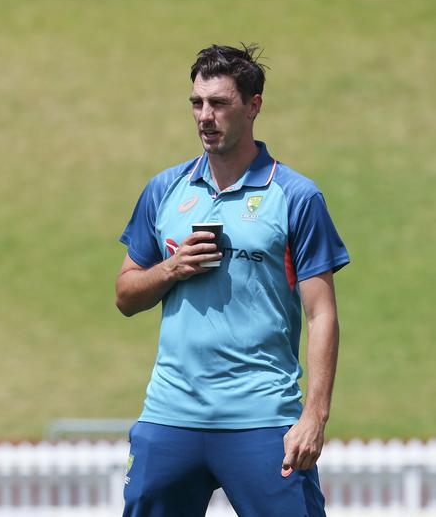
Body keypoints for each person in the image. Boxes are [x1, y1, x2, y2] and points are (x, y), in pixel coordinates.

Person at [116, 44, 349, 516]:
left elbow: (322, 313)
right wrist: (171, 269)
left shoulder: (296, 196)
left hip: (263, 420)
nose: (205, 116)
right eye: (197, 103)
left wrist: (315, 416)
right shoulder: (165, 189)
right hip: (171, 416)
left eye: (219, 104)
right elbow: (125, 294)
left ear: (254, 105)